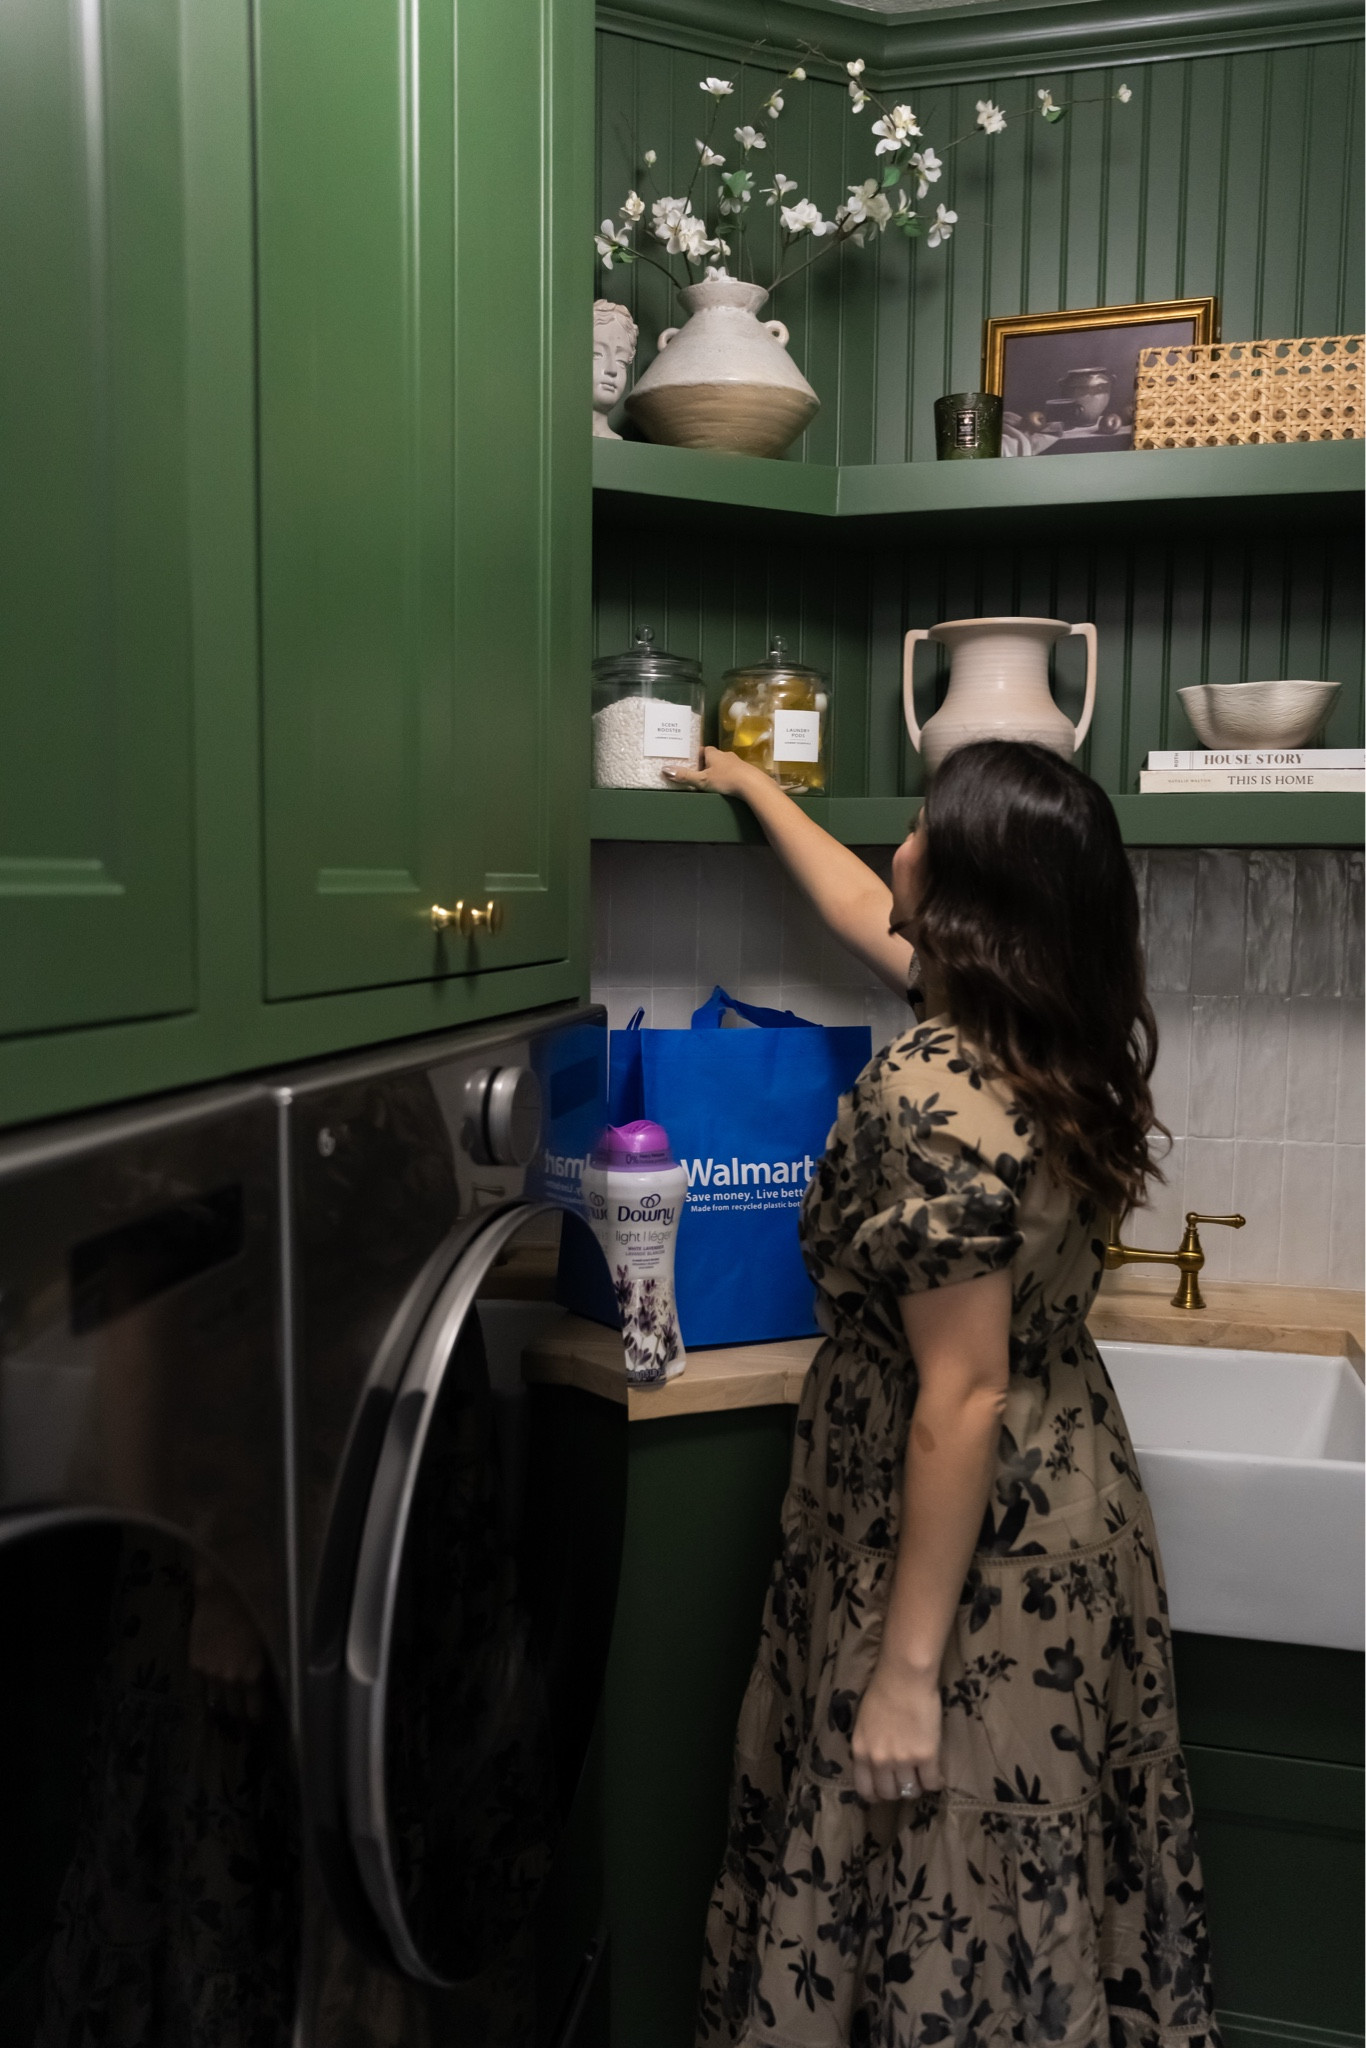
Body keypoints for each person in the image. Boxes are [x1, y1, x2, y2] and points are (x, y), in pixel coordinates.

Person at [665, 739, 1221, 2048]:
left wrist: (907, 1671)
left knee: (934, 1883)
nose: (895, 854)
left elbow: (958, 1395)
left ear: (971, 893)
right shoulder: (1038, 1030)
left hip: (962, 1571)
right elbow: (866, 911)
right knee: (1025, 1871)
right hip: (1065, 1512)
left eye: (918, 833)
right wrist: (753, 789)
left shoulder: (929, 1090)